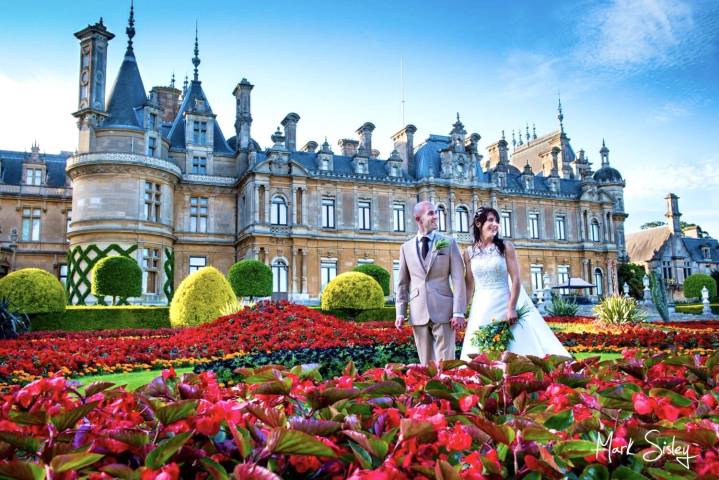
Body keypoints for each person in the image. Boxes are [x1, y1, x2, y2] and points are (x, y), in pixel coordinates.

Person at [460, 207, 571, 360]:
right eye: (491, 220)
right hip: (481, 306)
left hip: (503, 302)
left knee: (512, 345)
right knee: (479, 348)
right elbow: (469, 285)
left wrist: (511, 307)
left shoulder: (505, 247)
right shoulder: (468, 252)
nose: (495, 224)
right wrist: (460, 312)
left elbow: (516, 278)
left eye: (497, 221)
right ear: (478, 223)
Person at [395, 201, 467, 365]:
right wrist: (400, 312)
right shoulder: (406, 248)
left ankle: (447, 390)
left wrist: (458, 312)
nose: (436, 216)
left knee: (446, 363)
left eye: (436, 212)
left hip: (444, 311)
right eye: (431, 213)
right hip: (417, 311)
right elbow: (402, 283)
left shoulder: (449, 243)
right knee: (425, 365)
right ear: (418, 219)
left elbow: (458, 279)